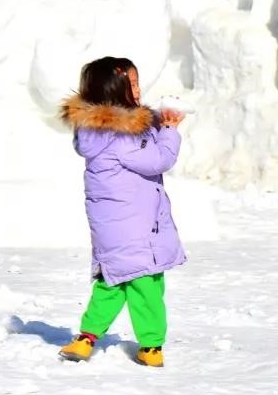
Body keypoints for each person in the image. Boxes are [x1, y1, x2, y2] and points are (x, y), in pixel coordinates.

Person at [57, 57, 187, 367]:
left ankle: (86, 339)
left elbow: (140, 135)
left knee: (111, 282)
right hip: (136, 228)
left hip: (111, 229)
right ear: (115, 92)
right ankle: (151, 345)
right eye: (132, 84)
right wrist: (168, 129)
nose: (138, 90)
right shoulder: (122, 136)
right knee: (147, 285)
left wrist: (153, 121)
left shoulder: (96, 132)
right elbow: (158, 160)